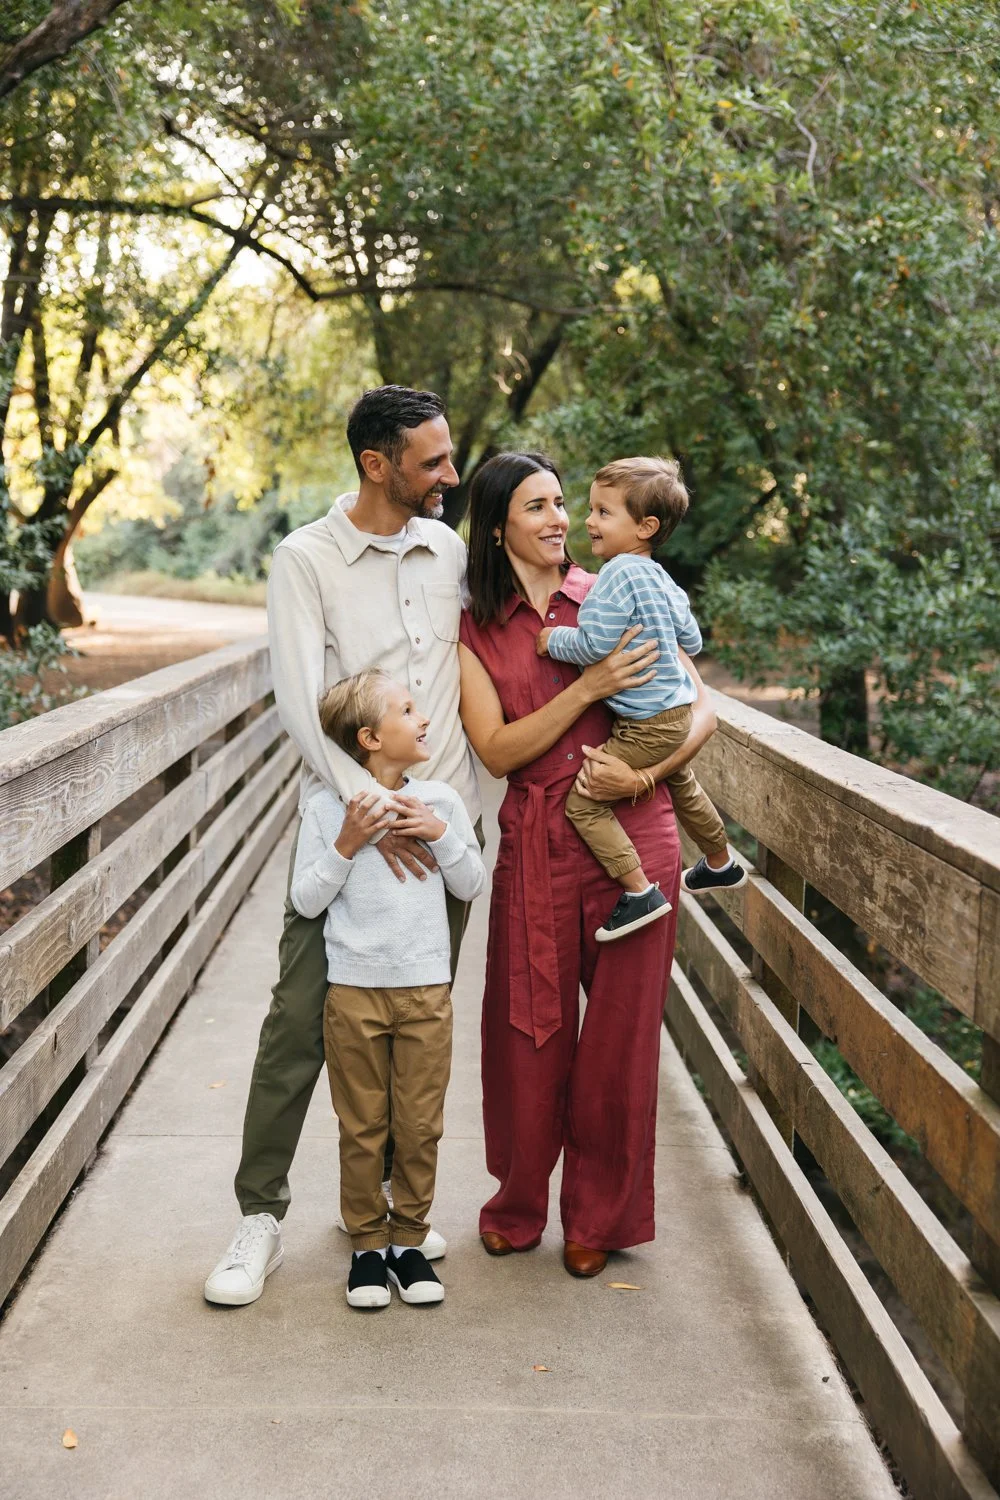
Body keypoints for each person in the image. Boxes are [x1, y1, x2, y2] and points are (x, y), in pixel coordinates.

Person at [204, 385, 482, 1308]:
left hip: (436, 839)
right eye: (432, 460)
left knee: (413, 1038)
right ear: (376, 464)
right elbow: (297, 702)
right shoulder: (306, 559)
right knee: (297, 1027)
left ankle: (390, 1216)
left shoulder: (448, 551)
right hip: (346, 829)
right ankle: (259, 1218)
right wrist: (370, 808)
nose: (450, 474)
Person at [457, 451, 717, 1277]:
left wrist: (642, 774)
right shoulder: (476, 627)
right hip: (537, 840)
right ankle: (517, 1203)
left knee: (621, 1040)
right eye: (537, 507)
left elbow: (700, 708)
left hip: (636, 835)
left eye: (563, 503)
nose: (561, 519)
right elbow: (497, 750)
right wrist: (587, 687)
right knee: (525, 1033)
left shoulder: (616, 586)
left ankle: (599, 1219)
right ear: (497, 528)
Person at [290, 669, 485, 1309]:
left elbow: (471, 884)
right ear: (370, 738)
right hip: (354, 993)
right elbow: (306, 899)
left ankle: (409, 1241)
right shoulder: (327, 809)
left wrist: (440, 834)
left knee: (421, 1125)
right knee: (363, 1128)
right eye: (407, 709)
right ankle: (368, 1249)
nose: (423, 718)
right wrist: (347, 844)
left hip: (425, 991)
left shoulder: (442, 802)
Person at [536, 456, 745, 943]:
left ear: (645, 526)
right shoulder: (660, 576)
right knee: (683, 784)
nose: (588, 520)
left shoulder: (615, 574)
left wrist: (551, 640)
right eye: (591, 509)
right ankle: (720, 862)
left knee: (583, 803)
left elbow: (593, 645)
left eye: (603, 512)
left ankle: (638, 890)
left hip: (645, 724)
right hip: (675, 712)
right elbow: (692, 640)